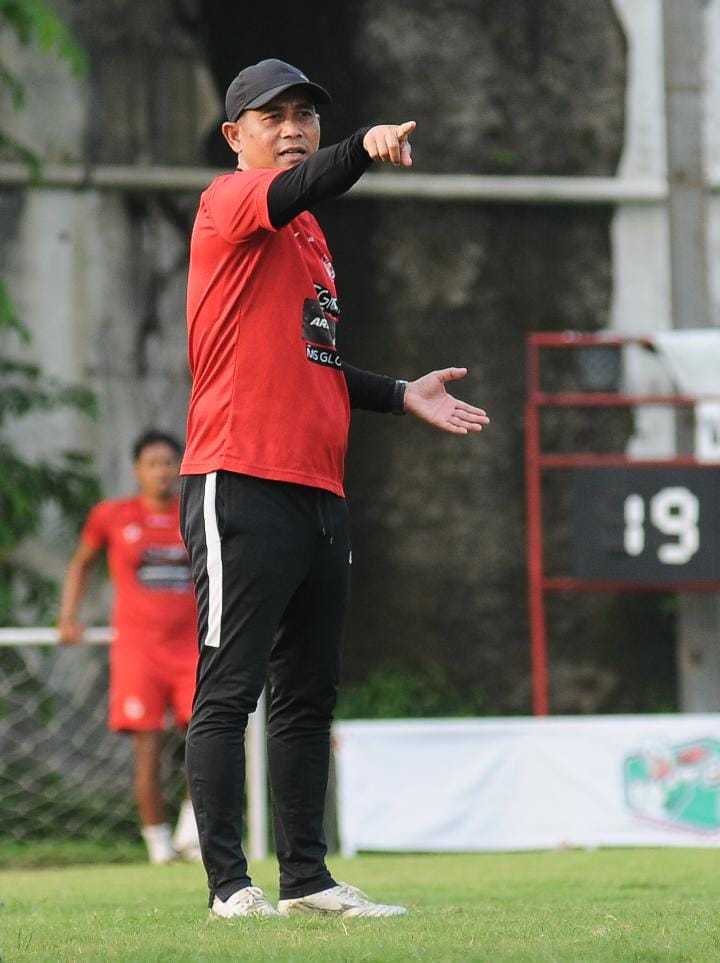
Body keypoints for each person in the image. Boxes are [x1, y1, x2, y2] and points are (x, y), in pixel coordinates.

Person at [180, 58, 489, 920]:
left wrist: (400, 393)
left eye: (305, 116)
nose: (291, 129)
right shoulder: (230, 202)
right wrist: (362, 146)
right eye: (270, 117)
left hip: (318, 490)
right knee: (229, 688)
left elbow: (311, 363)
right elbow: (306, 181)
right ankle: (228, 887)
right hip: (238, 478)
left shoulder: (310, 240)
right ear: (234, 135)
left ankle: (307, 879)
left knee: (308, 692)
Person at [58, 430, 202, 866]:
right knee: (148, 750)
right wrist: (69, 615)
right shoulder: (113, 515)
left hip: (193, 649)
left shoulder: (194, 512)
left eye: (168, 463)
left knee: (207, 741)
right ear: (137, 470)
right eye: (152, 463)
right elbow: (81, 564)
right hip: (139, 651)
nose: (162, 472)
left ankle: (192, 835)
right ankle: (158, 846)